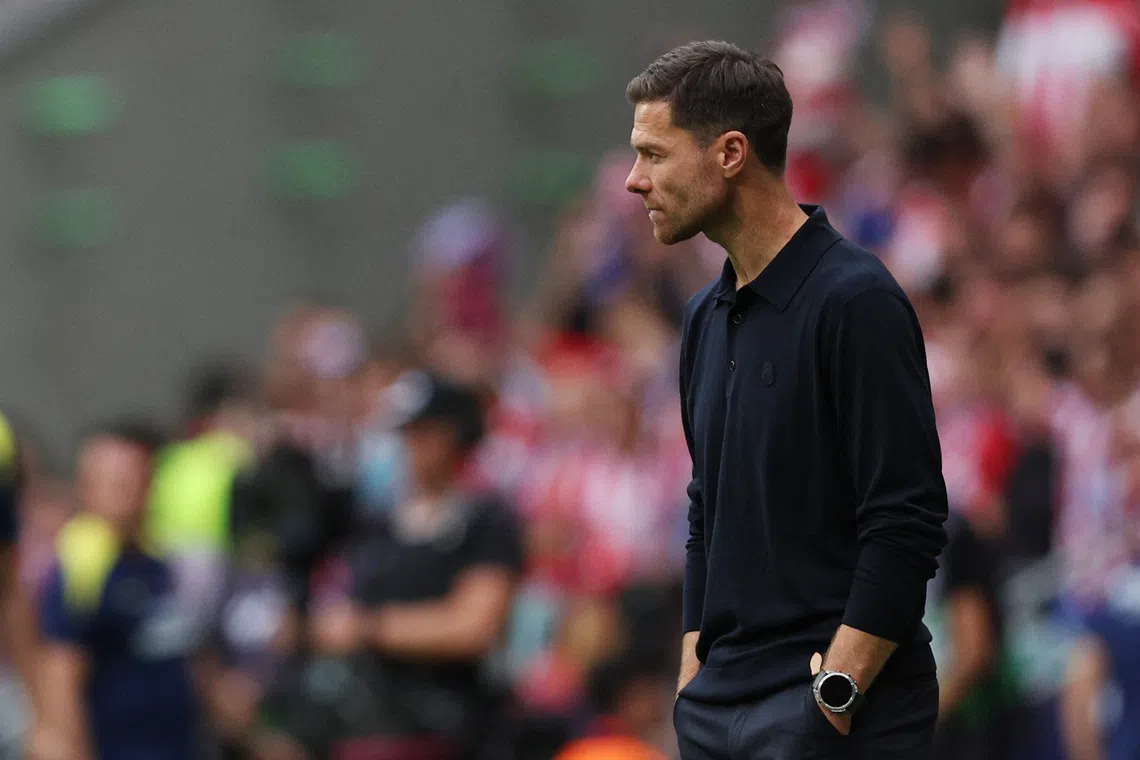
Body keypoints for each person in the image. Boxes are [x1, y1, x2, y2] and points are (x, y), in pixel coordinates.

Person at [623, 41, 948, 758]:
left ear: (731, 153)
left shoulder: (856, 301)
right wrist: (691, 676)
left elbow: (907, 519)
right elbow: (707, 508)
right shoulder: (704, 318)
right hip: (719, 709)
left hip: (827, 711)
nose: (632, 181)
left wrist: (839, 690)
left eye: (654, 154)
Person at [36, 421, 202, 760]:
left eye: (137, 478)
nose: (130, 491)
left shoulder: (158, 562)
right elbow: (60, 678)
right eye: (115, 482)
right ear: (86, 488)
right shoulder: (82, 565)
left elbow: (189, 662)